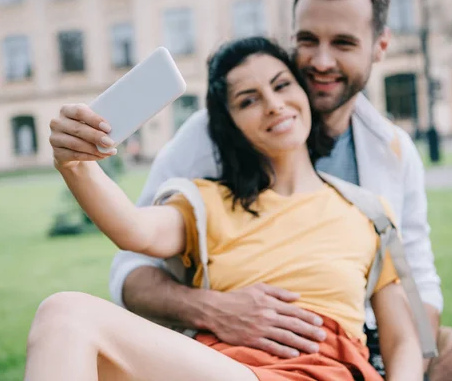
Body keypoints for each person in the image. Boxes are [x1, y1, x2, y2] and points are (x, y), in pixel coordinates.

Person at [108, 0, 452, 380]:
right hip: (248, 349)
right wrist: (212, 309)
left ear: (380, 47)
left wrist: (410, 358)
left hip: (373, 337)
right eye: (308, 39)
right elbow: (133, 265)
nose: (321, 61)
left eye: (343, 43)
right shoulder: (211, 134)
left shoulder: (394, 150)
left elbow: (417, 277)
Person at [27, 36, 422, 381]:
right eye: (248, 100)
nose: (272, 105)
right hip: (221, 368)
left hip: (317, 370)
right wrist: (75, 164)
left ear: (303, 94)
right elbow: (133, 229)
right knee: (64, 316)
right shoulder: (206, 202)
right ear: (230, 125)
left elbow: (403, 338)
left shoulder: (370, 213)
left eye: (282, 85)